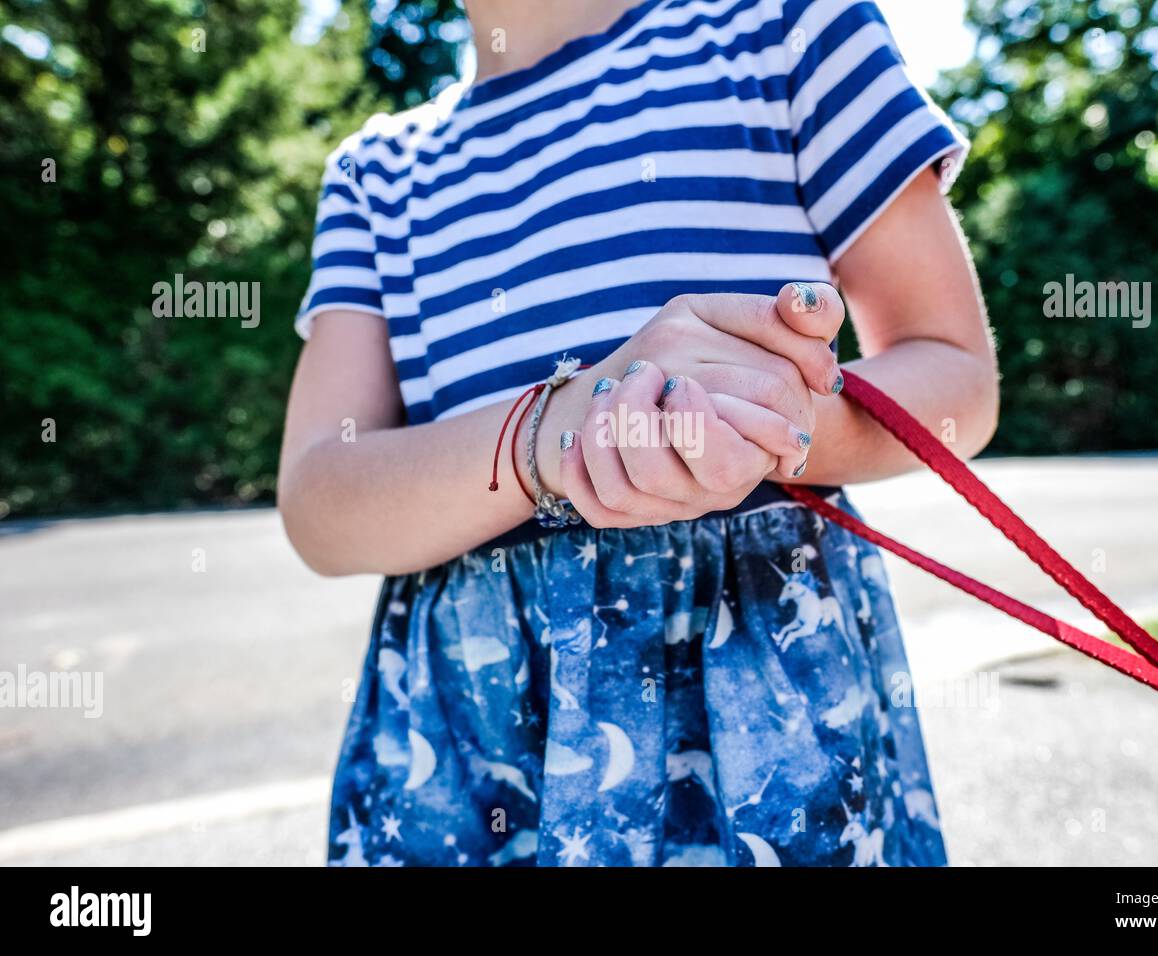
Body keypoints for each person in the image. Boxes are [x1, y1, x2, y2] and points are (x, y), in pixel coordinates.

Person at [278, 0, 997, 867]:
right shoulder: (376, 174)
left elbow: (955, 373)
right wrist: (557, 429)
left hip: (766, 735)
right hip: (474, 757)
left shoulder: (790, 29)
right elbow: (320, 495)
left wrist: (765, 417)